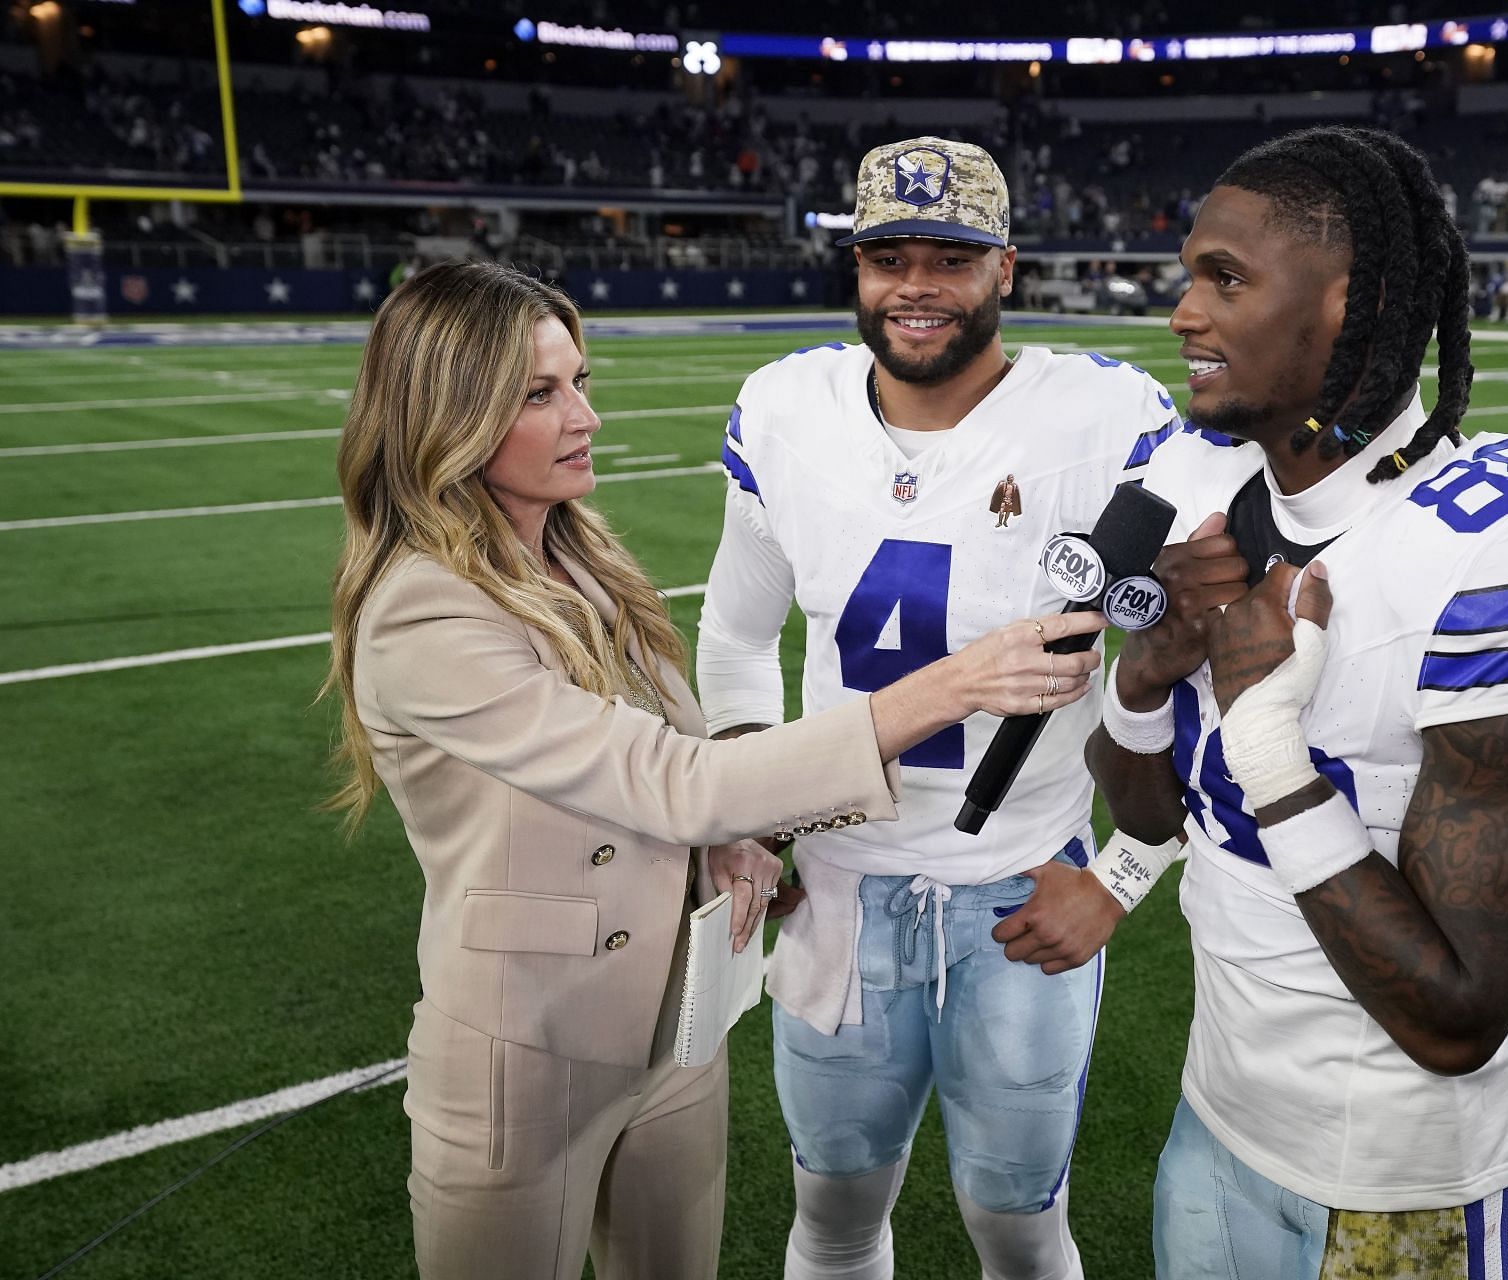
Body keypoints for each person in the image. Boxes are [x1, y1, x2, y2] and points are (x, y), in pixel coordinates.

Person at [322, 260, 1104, 1280]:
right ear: (449, 414)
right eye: (540, 393)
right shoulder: (420, 608)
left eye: (581, 381)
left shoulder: (577, 553)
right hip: (526, 1048)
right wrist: (952, 684)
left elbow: (689, 766)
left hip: (677, 1020)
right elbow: (674, 781)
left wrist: (733, 839)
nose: (585, 417)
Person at [1087, 127, 1508, 1278]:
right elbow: (1147, 820)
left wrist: (1270, 739)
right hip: (1218, 1108)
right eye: (1188, 274)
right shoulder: (1202, 480)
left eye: (1224, 278)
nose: (1181, 311)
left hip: (1392, 1172)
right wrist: (1144, 679)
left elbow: (1457, 1013)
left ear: (1352, 298)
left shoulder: (1485, 548)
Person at [696, 136, 1183, 1280]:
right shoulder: (786, 408)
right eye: (887, 257)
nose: (915, 285)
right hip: (840, 888)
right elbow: (733, 635)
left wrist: (1119, 878)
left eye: (950, 256)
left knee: (1018, 1229)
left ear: (1004, 268)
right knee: (833, 1214)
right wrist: (743, 803)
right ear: (856, 267)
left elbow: (1198, 672)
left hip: (1021, 892)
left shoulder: (1105, 417)